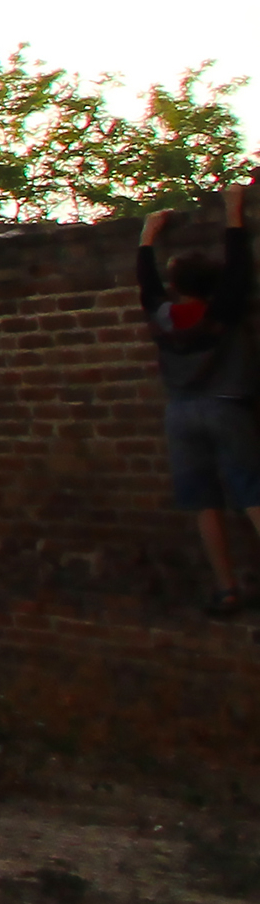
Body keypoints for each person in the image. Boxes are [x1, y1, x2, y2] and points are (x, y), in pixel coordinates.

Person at [138, 179, 260, 614]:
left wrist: (147, 236)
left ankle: (225, 588)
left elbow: (147, 285)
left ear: (177, 284)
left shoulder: (163, 318)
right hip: (227, 407)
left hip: (181, 414)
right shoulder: (221, 311)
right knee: (251, 494)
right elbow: (240, 268)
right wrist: (233, 212)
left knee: (203, 502)